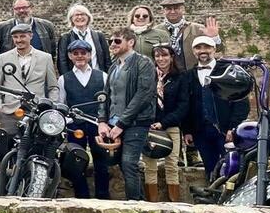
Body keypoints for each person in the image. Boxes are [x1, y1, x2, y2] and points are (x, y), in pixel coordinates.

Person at [97, 28, 156, 201]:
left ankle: (135, 208)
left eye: (117, 41)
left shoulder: (143, 62)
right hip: (115, 123)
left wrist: (122, 124)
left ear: (130, 42)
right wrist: (102, 120)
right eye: (110, 41)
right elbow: (105, 95)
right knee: (123, 165)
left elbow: (144, 95)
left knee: (129, 164)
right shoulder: (114, 65)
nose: (112, 45)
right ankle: (140, 204)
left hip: (136, 122)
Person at [185, 36, 249, 177]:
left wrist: (233, 127)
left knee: (232, 167)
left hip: (225, 131)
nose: (203, 51)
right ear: (193, 51)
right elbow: (186, 105)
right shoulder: (188, 76)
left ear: (214, 49)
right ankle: (214, 195)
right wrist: (188, 130)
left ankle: (232, 196)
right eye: (198, 48)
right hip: (200, 131)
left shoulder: (228, 71)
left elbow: (241, 102)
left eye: (207, 47)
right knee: (210, 167)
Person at [57, 40, 110, 199]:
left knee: (102, 162)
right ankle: (82, 196)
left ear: (89, 55)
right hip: (75, 127)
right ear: (70, 56)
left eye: (83, 53)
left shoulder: (102, 76)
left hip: (98, 125)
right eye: (76, 53)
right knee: (76, 161)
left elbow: (108, 102)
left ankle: (103, 196)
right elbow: (62, 104)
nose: (80, 56)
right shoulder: (63, 79)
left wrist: (104, 122)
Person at [0, 24, 59, 135]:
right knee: (9, 147)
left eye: (22, 36)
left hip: (37, 111)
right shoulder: (4, 57)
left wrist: (50, 108)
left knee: (35, 147)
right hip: (10, 112)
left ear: (30, 36)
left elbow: (53, 87)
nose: (19, 40)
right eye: (15, 37)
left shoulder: (45, 57)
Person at [147, 44, 190, 202]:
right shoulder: (149, 76)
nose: (161, 59)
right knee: (149, 165)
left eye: (164, 55)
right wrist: (150, 121)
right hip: (150, 127)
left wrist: (163, 123)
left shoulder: (180, 77)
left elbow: (183, 105)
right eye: (157, 56)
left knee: (171, 164)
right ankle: (152, 202)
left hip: (170, 126)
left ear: (172, 57)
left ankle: (174, 202)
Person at [158, 0, 221, 70]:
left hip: (192, 74)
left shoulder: (198, 29)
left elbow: (218, 49)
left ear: (183, 10)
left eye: (176, 8)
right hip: (166, 75)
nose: (172, 11)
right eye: (169, 9)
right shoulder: (156, 31)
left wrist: (214, 37)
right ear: (163, 11)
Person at [57, 4, 111, 76]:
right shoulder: (65, 38)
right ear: (71, 19)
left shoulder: (99, 36)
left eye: (83, 14)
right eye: (76, 15)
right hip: (75, 78)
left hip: (98, 76)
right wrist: (68, 79)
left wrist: (107, 76)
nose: (80, 17)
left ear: (88, 17)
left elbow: (107, 59)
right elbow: (62, 62)